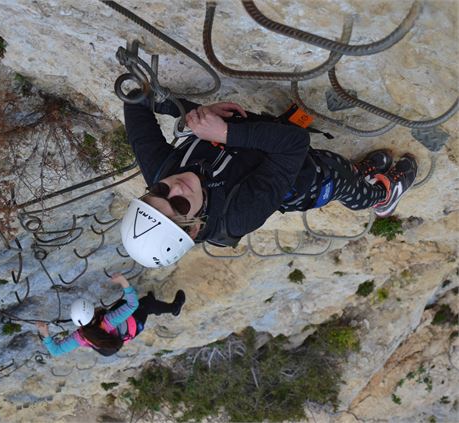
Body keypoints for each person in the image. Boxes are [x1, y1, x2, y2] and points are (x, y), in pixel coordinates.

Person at [120, 93, 418, 267]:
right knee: (340, 178)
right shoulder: (238, 215)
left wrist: (192, 114)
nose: (175, 187)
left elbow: (134, 100)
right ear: (196, 226)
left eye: (159, 191)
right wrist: (225, 133)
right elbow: (295, 144)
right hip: (305, 180)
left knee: (346, 171)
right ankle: (380, 197)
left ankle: (360, 173)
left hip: (264, 148)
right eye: (180, 205)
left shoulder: (161, 171)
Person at [36, 274, 186, 357]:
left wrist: (45, 335)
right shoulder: (109, 320)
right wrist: (123, 282)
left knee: (123, 305)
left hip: (117, 337)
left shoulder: (80, 336)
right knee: (145, 304)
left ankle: (153, 305)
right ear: (92, 314)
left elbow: (56, 351)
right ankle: (175, 308)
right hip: (133, 326)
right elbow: (132, 305)